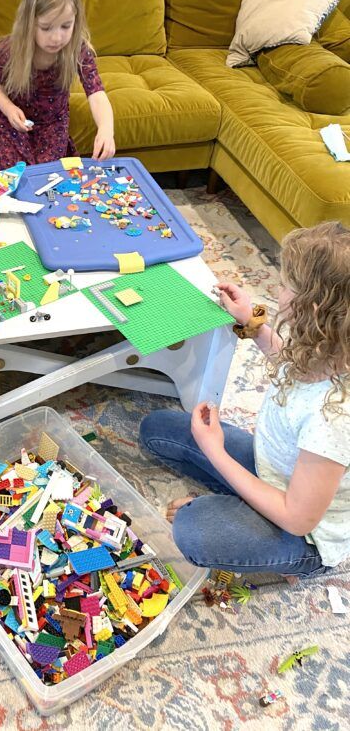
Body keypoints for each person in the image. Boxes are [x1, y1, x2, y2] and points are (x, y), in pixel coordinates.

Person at [139, 221, 350, 579]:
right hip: (274, 469)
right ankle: (244, 504)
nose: (276, 291)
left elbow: (297, 520)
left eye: (284, 286)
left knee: (193, 528)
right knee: (155, 429)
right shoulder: (328, 344)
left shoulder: (335, 419)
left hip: (306, 536)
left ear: (312, 308)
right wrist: (253, 325)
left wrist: (216, 451)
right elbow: (291, 365)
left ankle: (272, 545)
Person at [0, 0, 115, 170]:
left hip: (52, 125)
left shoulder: (77, 49)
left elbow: (96, 93)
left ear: (76, 20)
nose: (56, 38)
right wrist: (9, 109)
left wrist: (107, 129)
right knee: (13, 174)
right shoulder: (11, 49)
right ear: (29, 21)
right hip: (10, 123)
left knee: (50, 177)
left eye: (66, 26)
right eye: (46, 27)